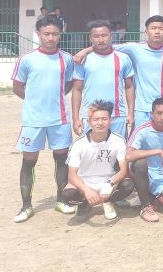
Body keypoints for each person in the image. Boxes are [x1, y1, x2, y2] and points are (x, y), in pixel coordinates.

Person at [12, 15, 76, 223]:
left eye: (55, 34)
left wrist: (54, 100)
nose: (50, 38)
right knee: (29, 162)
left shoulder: (66, 59)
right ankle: (26, 206)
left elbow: (68, 85)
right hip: (33, 120)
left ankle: (62, 200)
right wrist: (34, 103)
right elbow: (18, 87)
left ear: (60, 35)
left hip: (59, 119)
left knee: (62, 159)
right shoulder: (27, 59)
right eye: (46, 33)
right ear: (38, 34)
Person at [75, 15, 163, 127]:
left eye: (161, 28)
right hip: (140, 109)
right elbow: (107, 46)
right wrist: (86, 51)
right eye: (153, 28)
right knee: (137, 143)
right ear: (146, 31)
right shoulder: (134, 48)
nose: (157, 32)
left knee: (162, 141)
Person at [62, 100, 134, 220]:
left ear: (110, 120)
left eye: (104, 119)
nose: (100, 123)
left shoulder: (119, 141)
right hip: (85, 183)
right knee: (67, 194)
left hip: (108, 182)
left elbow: (123, 170)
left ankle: (107, 201)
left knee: (128, 185)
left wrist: (110, 183)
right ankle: (85, 203)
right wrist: (86, 190)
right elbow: (71, 175)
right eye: (96, 119)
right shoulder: (79, 144)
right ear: (89, 122)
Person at [71, 20, 135, 138]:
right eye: (96, 36)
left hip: (117, 115)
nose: (100, 39)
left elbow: (129, 86)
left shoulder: (123, 58)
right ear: (90, 38)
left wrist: (130, 113)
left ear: (111, 36)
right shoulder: (83, 60)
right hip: (91, 115)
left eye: (104, 35)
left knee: (118, 153)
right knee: (91, 152)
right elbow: (77, 90)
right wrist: (75, 118)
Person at [127, 97, 163, 222]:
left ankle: (151, 197)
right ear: (152, 114)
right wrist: (158, 151)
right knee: (141, 164)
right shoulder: (142, 130)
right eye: (158, 113)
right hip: (141, 172)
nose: (162, 117)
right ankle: (145, 206)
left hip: (160, 173)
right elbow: (128, 156)